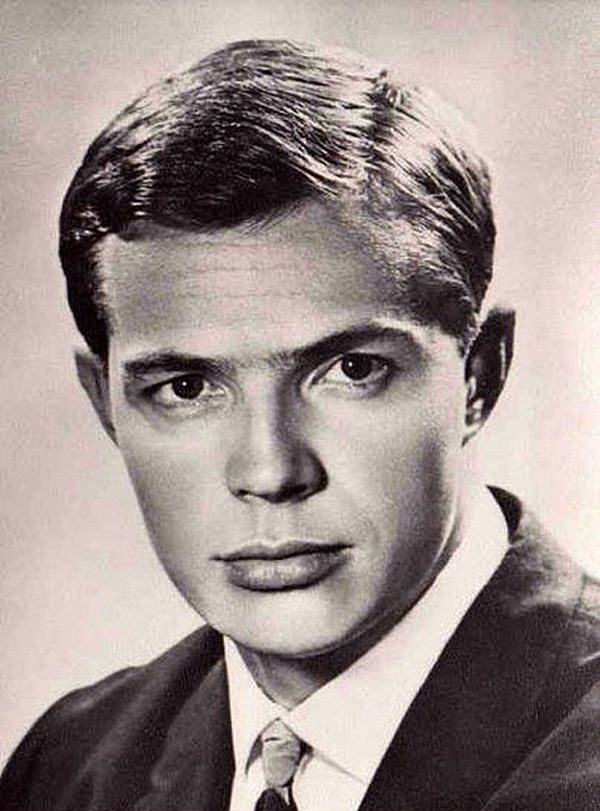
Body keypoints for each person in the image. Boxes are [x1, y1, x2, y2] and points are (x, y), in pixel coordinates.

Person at [0, 39, 598, 811]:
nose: (270, 470)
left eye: (352, 369)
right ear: (105, 402)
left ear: (479, 374)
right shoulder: (67, 769)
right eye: (187, 386)